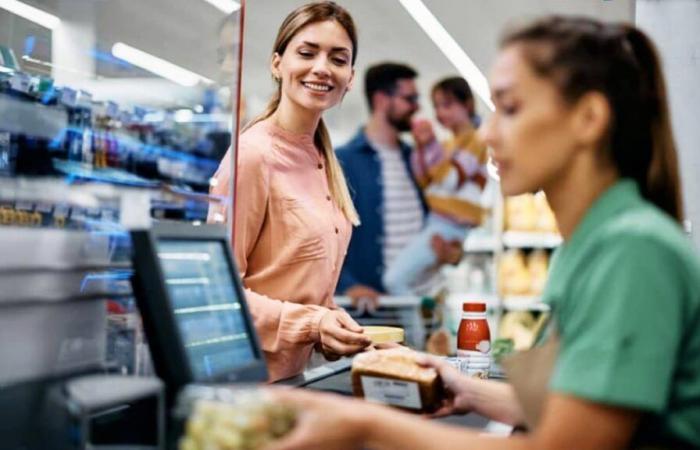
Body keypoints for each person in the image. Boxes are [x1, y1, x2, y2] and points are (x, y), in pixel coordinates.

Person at [267, 15, 700, 449]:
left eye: (509, 109)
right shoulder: (595, 243)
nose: (489, 134)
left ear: (588, 118)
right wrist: (463, 386)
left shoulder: (630, 250)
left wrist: (364, 425)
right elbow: (567, 407)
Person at [208, 1, 371, 382]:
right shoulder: (252, 156)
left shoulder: (322, 159)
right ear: (277, 63)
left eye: (337, 58)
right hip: (247, 387)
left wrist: (339, 330)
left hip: (295, 382)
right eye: (307, 52)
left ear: (350, 77)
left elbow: (297, 286)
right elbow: (218, 294)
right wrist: (313, 324)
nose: (321, 68)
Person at [336, 63, 462, 305]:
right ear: (382, 100)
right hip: (376, 313)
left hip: (426, 304)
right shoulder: (343, 161)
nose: (417, 107)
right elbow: (322, 239)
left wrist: (452, 253)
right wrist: (347, 285)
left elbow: (442, 218)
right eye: (410, 98)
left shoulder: (415, 158)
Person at [383, 77, 490, 295]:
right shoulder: (448, 144)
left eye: (448, 104)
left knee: (394, 281)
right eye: (437, 106)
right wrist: (423, 148)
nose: (441, 112)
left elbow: (450, 180)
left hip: (448, 225)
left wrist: (430, 146)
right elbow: (425, 181)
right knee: (409, 282)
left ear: (468, 104)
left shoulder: (476, 142)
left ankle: (415, 327)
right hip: (439, 223)